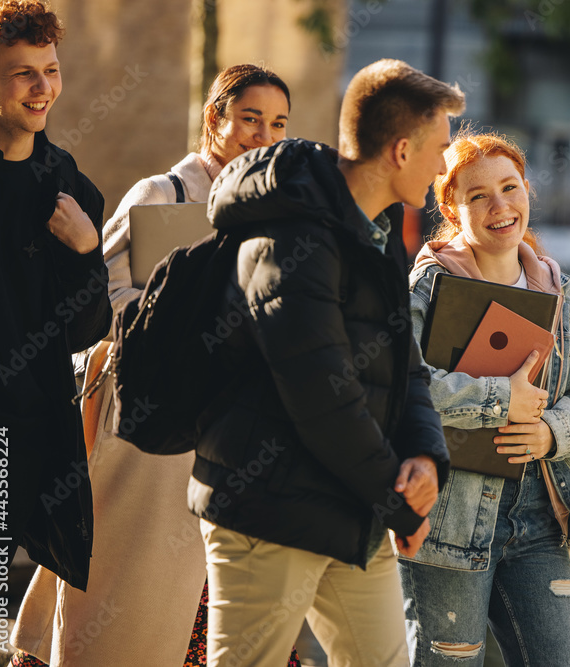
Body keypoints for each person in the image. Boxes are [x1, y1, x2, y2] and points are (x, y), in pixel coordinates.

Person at [8, 64, 298, 666]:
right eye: (249, 119)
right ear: (215, 118)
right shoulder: (162, 195)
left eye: (277, 124)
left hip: (233, 445)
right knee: (129, 605)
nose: (262, 136)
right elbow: (99, 305)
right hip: (148, 443)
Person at [186, 58, 463, 666]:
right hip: (270, 508)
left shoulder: (382, 229)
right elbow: (322, 393)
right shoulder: (290, 238)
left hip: (352, 504)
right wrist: (395, 502)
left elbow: (403, 361)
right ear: (399, 149)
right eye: (439, 148)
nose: (444, 165)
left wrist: (425, 454)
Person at [400, 132, 570, 666]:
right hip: (449, 525)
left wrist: (549, 432)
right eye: (478, 196)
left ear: (527, 191)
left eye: (510, 187)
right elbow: (398, 385)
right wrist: (500, 401)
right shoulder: (426, 288)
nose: (500, 206)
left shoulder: (555, 288)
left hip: (540, 524)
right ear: (450, 206)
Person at [0, 0, 110, 639]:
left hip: (16, 431)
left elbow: (87, 329)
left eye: (51, 70)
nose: (42, 88)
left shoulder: (70, 191)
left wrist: (87, 252)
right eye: (22, 73)